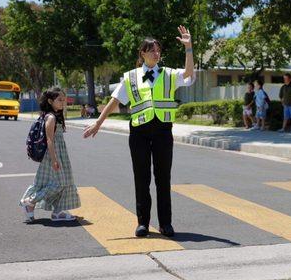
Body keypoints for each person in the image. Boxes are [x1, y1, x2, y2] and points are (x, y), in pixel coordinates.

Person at [83, 26, 195, 238]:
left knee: (163, 178)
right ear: (142, 53)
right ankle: (143, 223)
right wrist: (98, 123)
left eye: (158, 50)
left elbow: (189, 73)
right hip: (139, 133)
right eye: (151, 50)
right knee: (141, 179)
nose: (156, 53)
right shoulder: (131, 77)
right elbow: (114, 101)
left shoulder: (170, 74)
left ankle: (165, 224)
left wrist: (188, 48)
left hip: (163, 131)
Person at [20, 87, 80, 222]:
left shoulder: (56, 115)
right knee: (58, 183)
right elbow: (49, 140)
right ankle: (30, 201)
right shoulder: (51, 117)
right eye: (59, 100)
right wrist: (54, 159)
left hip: (60, 152)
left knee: (63, 181)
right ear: (50, 101)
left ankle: (58, 211)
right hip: (53, 153)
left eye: (63, 100)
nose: (63, 102)